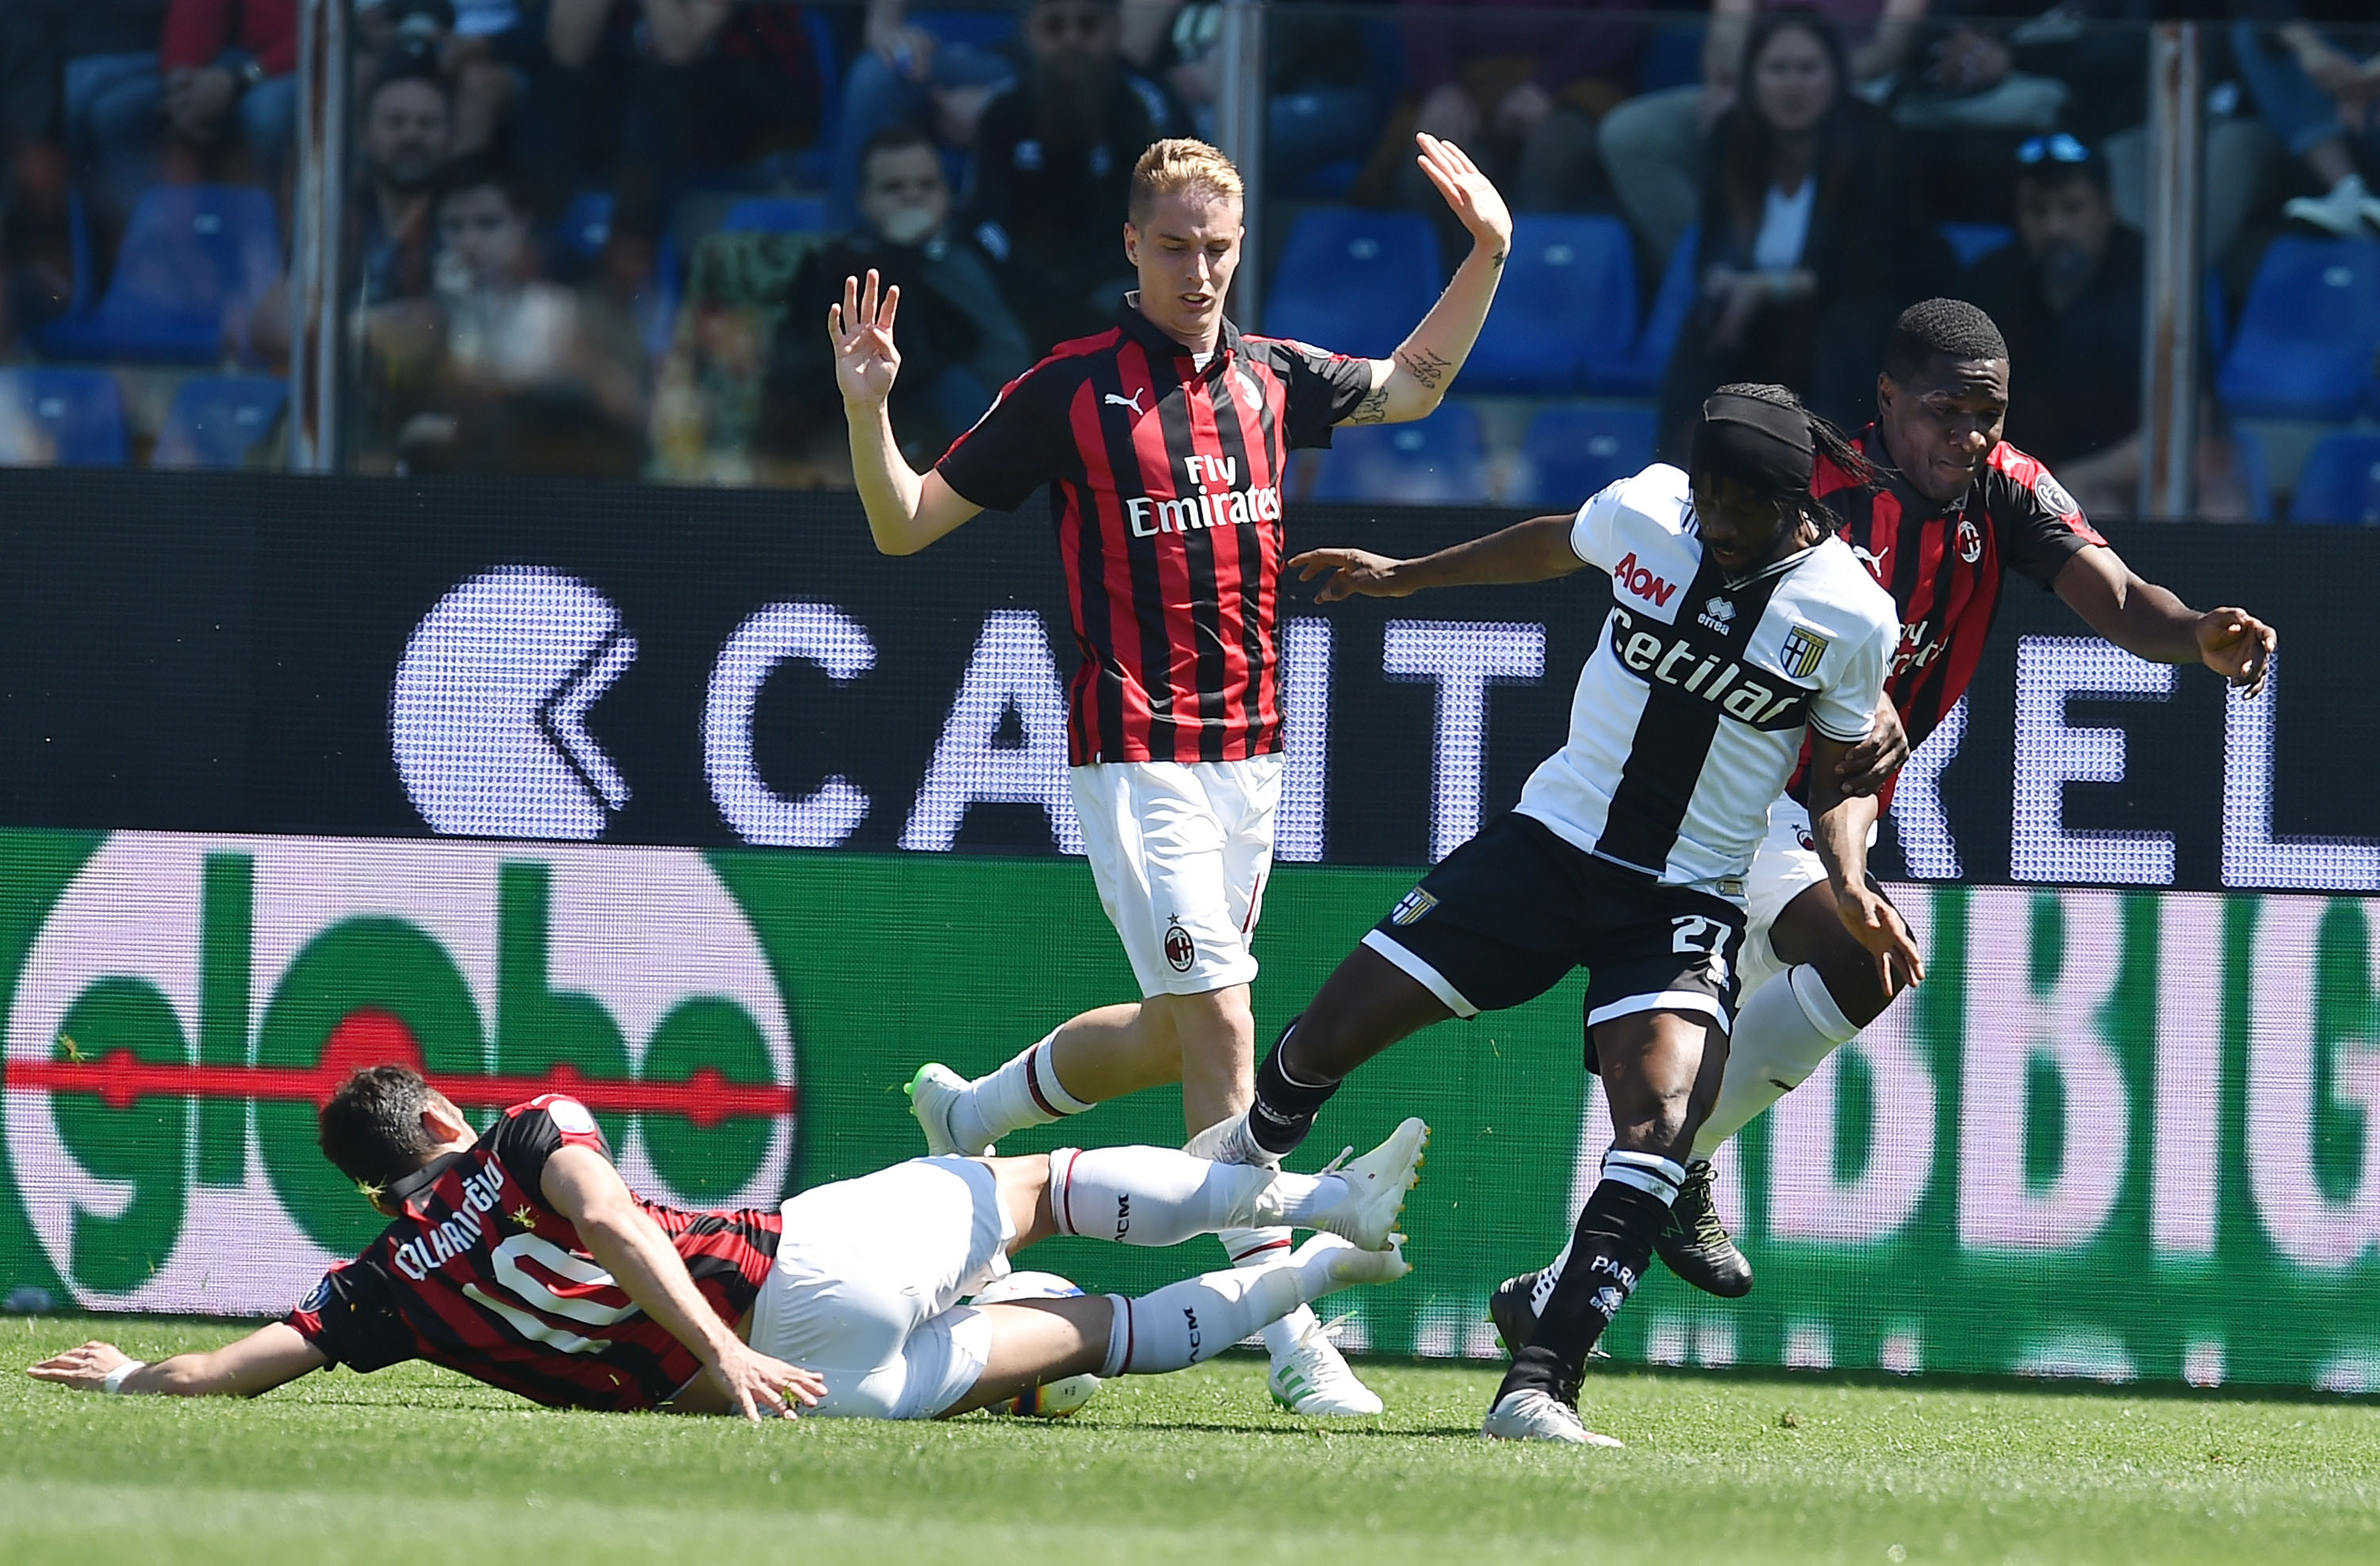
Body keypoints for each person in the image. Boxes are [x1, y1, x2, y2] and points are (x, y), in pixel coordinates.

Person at [834, 133, 1511, 1415]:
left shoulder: (1270, 378)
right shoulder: (1069, 390)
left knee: (1173, 1025)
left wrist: (1487, 252)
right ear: (1131, 249)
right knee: (1227, 1023)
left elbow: (1415, 386)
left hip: (1252, 752)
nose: (1199, 270)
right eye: (1176, 246)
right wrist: (870, 407)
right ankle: (1288, 1327)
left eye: (1218, 247)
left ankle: (970, 1114)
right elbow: (902, 522)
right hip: (1132, 748)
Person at [1489, 298, 2277, 1335]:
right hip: (1731, 792)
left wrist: (2196, 633)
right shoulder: (1805, 490)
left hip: (1822, 816)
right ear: (1888, 401)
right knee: (1848, 968)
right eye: (1947, 411)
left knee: (1817, 990)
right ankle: (1645, 1186)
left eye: (1988, 411)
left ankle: (1587, 1261)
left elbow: (2125, 600)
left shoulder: (2008, 492)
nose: (1971, 434)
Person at [1191, 386, 1915, 1445]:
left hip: (1685, 894)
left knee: (1662, 1124)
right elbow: (1557, 542)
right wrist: (1409, 575)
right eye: (1704, 497)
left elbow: (1849, 768)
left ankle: (1538, 1385)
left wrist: (1847, 877)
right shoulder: (1651, 510)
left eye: (1736, 509)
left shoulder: (1849, 611)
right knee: (1326, 1037)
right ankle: (1247, 1158)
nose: (1710, 522)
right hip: (1545, 849)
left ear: (1793, 504)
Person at [26, 1065, 1424, 1420]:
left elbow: (240, 1365)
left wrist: (141, 1376)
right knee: (1044, 1183)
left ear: (367, 1188)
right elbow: (624, 1228)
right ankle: (1320, 1208)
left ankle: (1319, 1272)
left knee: (1101, 1335)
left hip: (810, 1397)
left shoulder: (379, 1282)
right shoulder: (526, 1130)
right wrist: (720, 1338)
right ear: (444, 1109)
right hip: (788, 1278)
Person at [1656, 10, 1937, 451]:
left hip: (1842, 315)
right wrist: (1726, 281)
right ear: (1753, 78)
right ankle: (1686, 466)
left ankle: (1844, 467)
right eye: (1778, 69)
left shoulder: (1876, 139)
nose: (1793, 85)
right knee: (1707, 317)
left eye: (1808, 69)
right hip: (1756, 322)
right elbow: (1710, 250)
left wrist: (1769, 287)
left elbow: (1869, 265)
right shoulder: (1730, 139)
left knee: (1850, 326)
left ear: (1835, 76)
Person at [762, 123, 1032, 469]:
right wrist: (899, 253)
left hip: (1014, 413)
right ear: (864, 201)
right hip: (905, 433)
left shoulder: (985, 249)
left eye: (927, 185)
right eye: (894, 188)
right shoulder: (836, 269)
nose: (913, 196)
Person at [1599, 0, 1929, 267]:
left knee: (1862, 131)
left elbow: (1890, 46)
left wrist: (1820, 79)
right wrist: (1763, 83)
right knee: (1632, 134)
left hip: (1860, 88)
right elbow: (1727, 35)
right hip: (1756, 83)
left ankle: (1820, 273)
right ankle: (1715, 268)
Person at [965, 0, 1180, 351]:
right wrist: (1027, 283)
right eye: (1055, 27)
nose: (1072, 40)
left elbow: (1158, 218)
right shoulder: (1003, 111)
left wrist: (1081, 286)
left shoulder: (1145, 110)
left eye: (1088, 26)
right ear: (1030, 33)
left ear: (1115, 30)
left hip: (1114, 282)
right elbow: (984, 219)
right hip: (1018, 287)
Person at [1964, 134, 2143, 473]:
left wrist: (2064, 486)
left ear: (2108, 209)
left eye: (2072, 208)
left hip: (2113, 489)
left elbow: (2190, 436)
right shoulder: (1990, 284)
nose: (2054, 228)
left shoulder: (2154, 282)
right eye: (2037, 210)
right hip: (2009, 487)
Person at [2231, 3, 2380, 237]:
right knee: (2253, 34)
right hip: (2341, 101)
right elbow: (2264, 11)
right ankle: (2349, 194)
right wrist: (2308, 46)